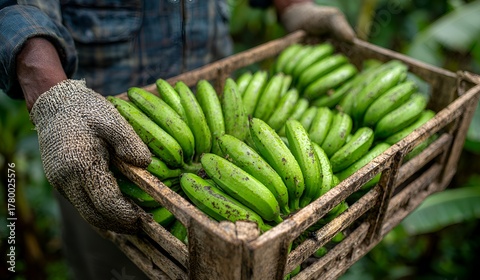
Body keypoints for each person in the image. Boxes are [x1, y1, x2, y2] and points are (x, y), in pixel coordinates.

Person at [0, 0, 355, 278]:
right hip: (95, 131)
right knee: (113, 260)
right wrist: (53, 97)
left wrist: (292, 5)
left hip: (213, 105)